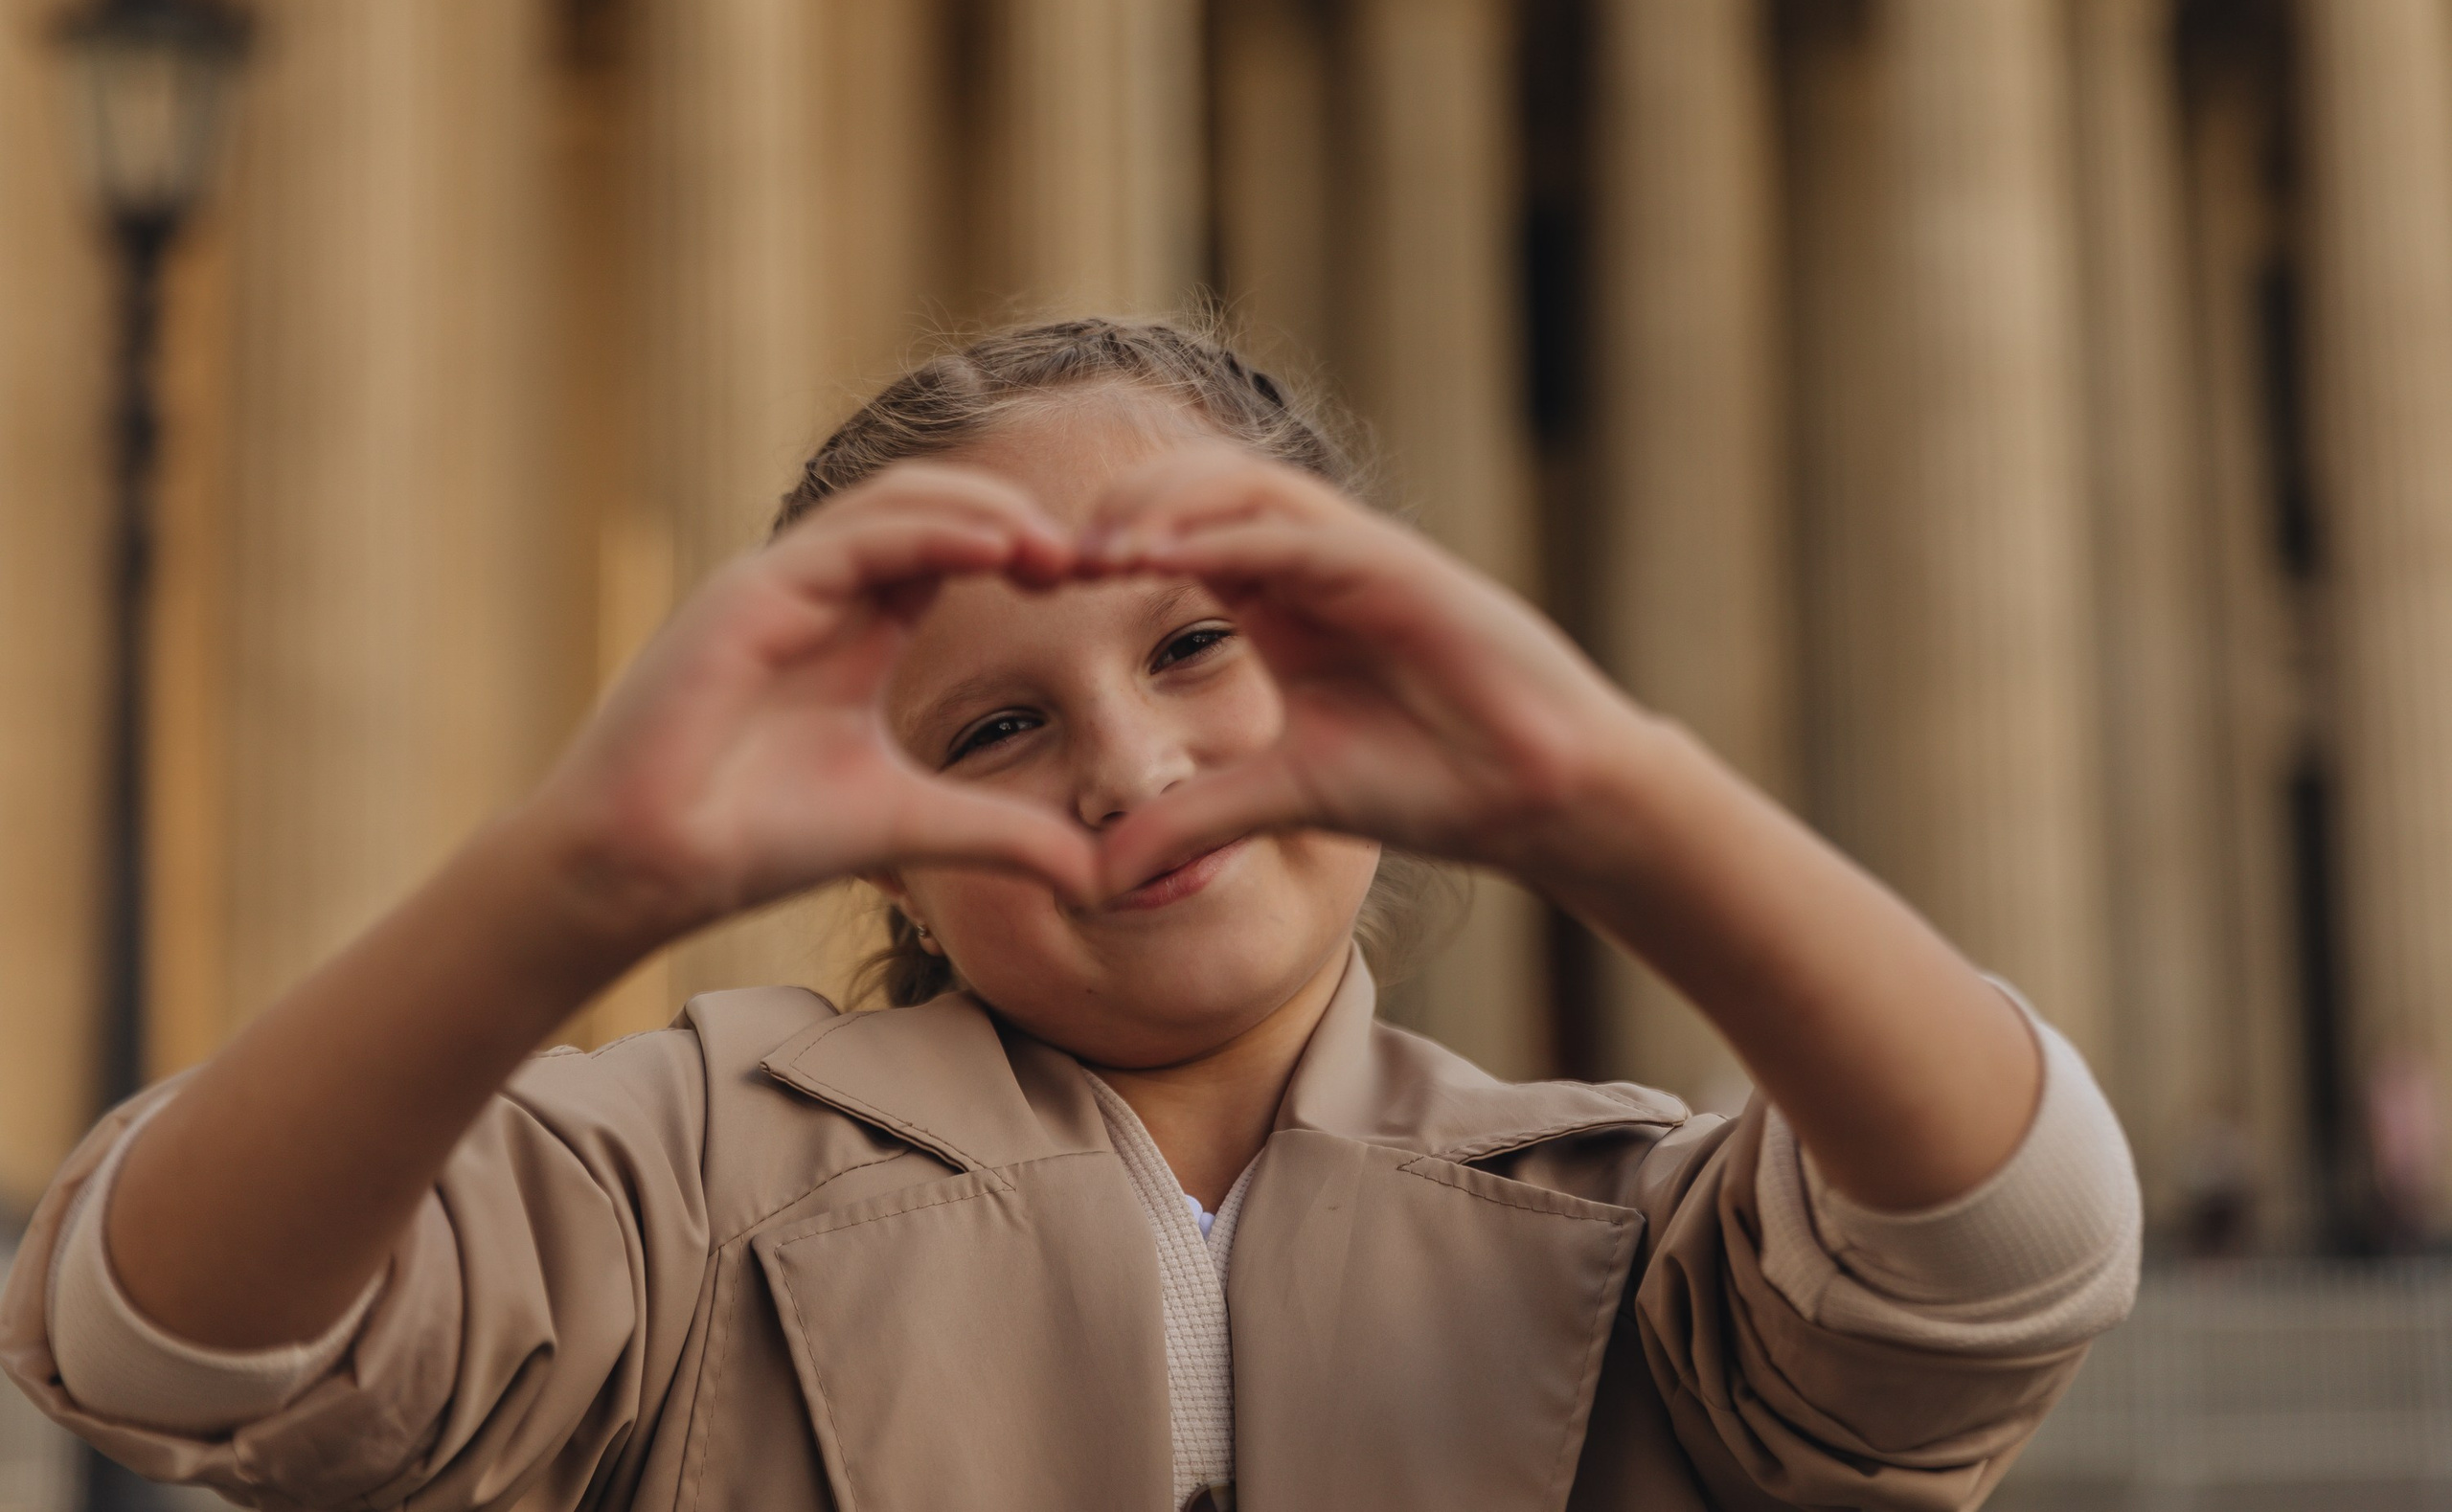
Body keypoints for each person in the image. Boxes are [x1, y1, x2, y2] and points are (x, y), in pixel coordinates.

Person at [1, 319, 2139, 1512]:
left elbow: (2009, 1243)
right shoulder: (662, 1191)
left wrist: (1616, 797)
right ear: (880, 846)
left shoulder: (1624, 1227)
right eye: (997, 722)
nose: (1124, 766)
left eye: (1198, 643)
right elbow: (154, 1335)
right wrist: (571, 878)